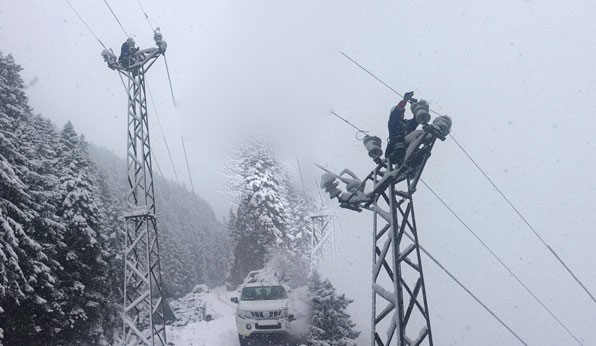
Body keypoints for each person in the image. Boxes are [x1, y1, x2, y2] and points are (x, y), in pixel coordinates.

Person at [385, 91, 419, 165]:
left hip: (407, 150)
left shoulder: (407, 124)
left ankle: (414, 164)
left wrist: (415, 106)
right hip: (394, 150)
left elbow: (416, 120)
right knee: (399, 138)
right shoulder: (393, 123)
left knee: (417, 141)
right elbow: (396, 113)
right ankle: (401, 160)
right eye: (401, 112)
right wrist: (404, 100)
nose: (402, 113)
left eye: (403, 112)